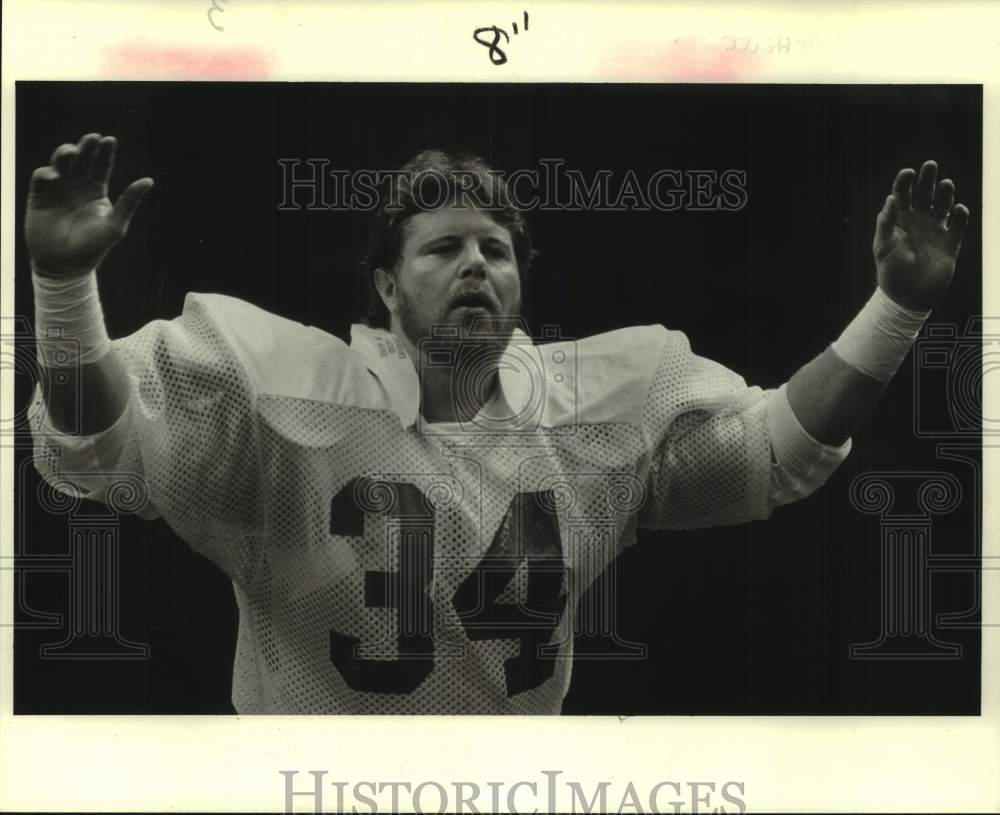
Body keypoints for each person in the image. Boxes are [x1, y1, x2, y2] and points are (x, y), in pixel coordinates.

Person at [25, 133, 970, 714]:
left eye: (497, 249)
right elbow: (100, 443)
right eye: (444, 247)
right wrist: (65, 286)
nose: (477, 264)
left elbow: (781, 449)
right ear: (387, 287)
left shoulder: (587, 411)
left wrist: (897, 306)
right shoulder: (286, 395)